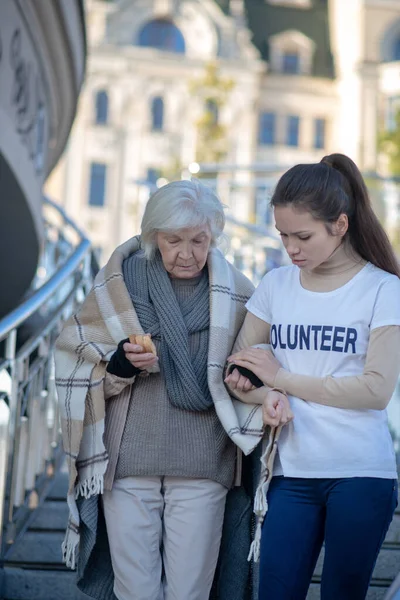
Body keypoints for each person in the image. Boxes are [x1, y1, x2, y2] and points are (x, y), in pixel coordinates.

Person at [54, 179, 265, 600]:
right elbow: (74, 361)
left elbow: (258, 364)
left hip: (206, 457)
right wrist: (120, 365)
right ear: (153, 238)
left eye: (198, 240)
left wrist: (248, 377)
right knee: (136, 590)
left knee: (191, 591)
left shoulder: (239, 293)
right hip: (128, 457)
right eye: (174, 241)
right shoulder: (117, 288)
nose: (187, 253)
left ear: (213, 237)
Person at [225, 153, 400, 600]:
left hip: (362, 475)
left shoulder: (383, 289)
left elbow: (375, 391)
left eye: (303, 235)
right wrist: (263, 395)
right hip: (289, 474)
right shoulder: (276, 286)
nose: (291, 248)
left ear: (340, 225)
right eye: (283, 235)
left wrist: (282, 378)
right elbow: (237, 372)